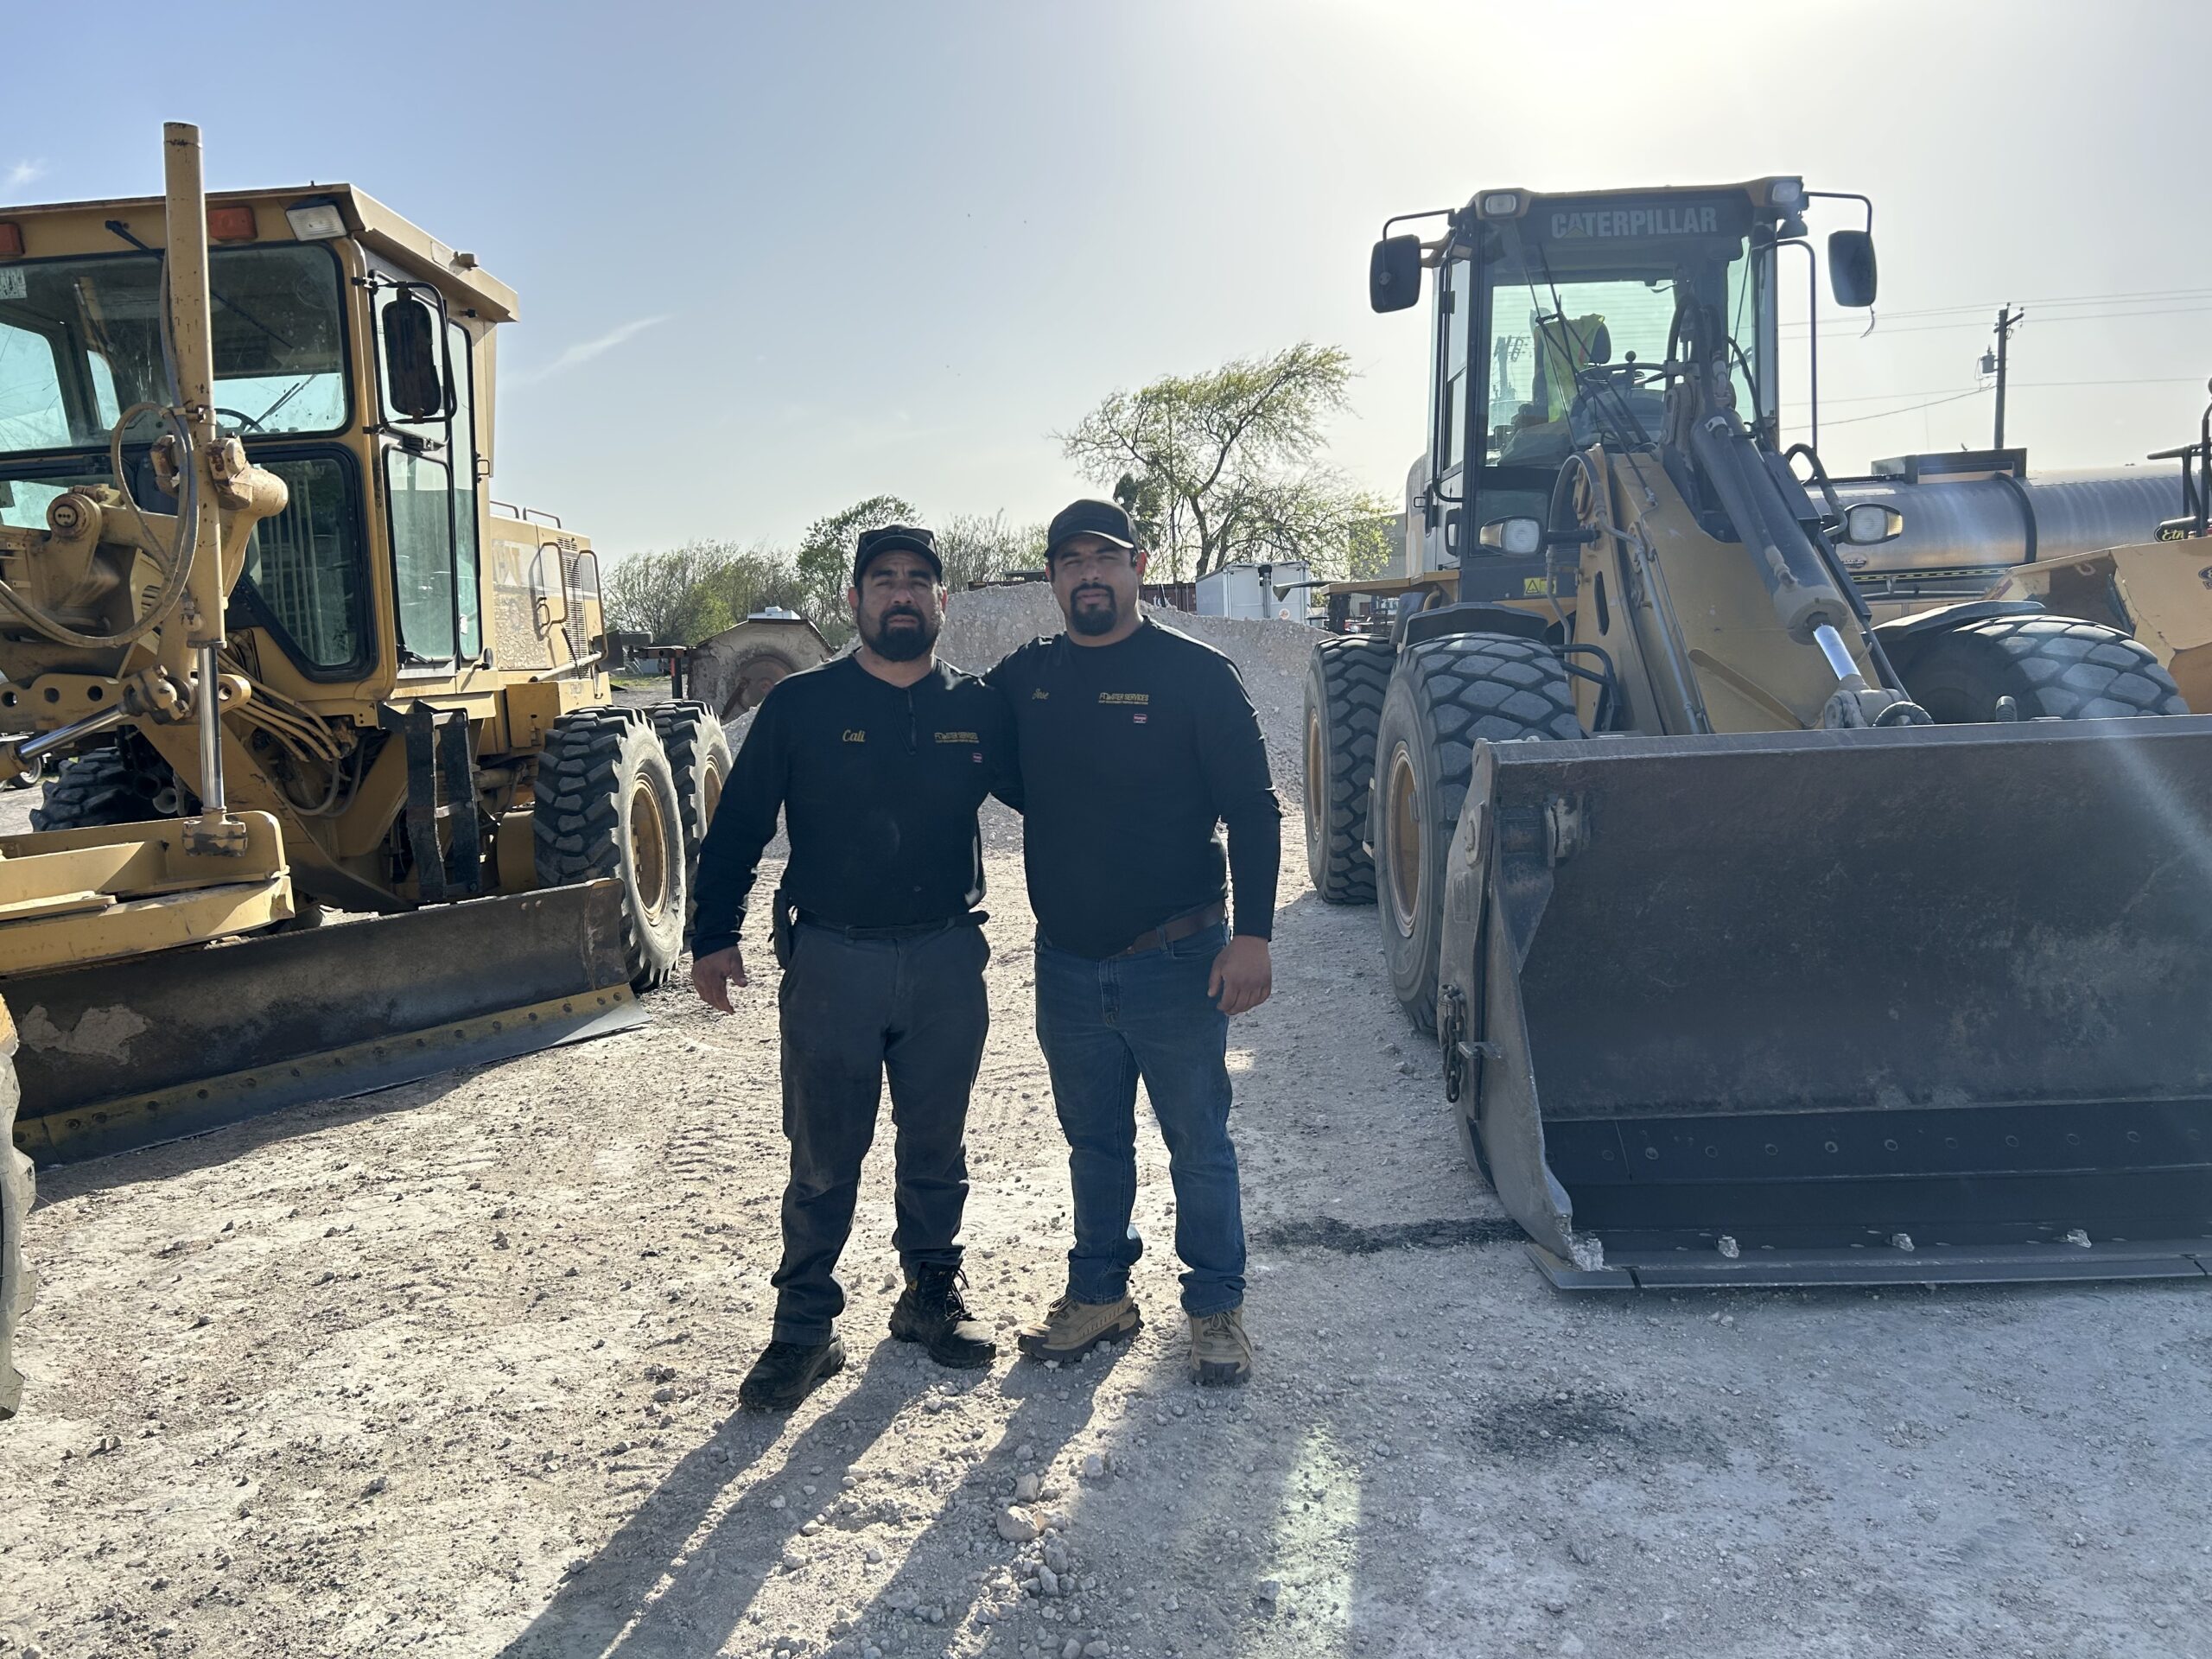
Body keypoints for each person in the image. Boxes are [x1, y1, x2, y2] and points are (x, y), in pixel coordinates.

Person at [690, 524, 1014, 1412]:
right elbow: (739, 828)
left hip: (948, 955)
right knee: (823, 1155)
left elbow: (1065, 796)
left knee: (936, 1148)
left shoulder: (978, 708)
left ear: (942, 602)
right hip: (834, 960)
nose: (901, 594)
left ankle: (928, 1297)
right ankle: (804, 1330)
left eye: (918, 581)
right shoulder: (800, 706)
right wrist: (709, 935)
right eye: (883, 581)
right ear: (853, 602)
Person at [988, 498, 1280, 1386]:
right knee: (1094, 1143)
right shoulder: (1024, 679)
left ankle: (1216, 1309)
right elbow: (985, 761)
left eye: (1104, 560)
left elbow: (1255, 810)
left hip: (1180, 959)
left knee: (1198, 1142)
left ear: (1138, 567)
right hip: (1068, 964)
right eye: (1069, 561)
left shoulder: (1195, 674)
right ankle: (1101, 1294)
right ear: (1051, 578)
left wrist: (1256, 937)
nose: (1087, 575)